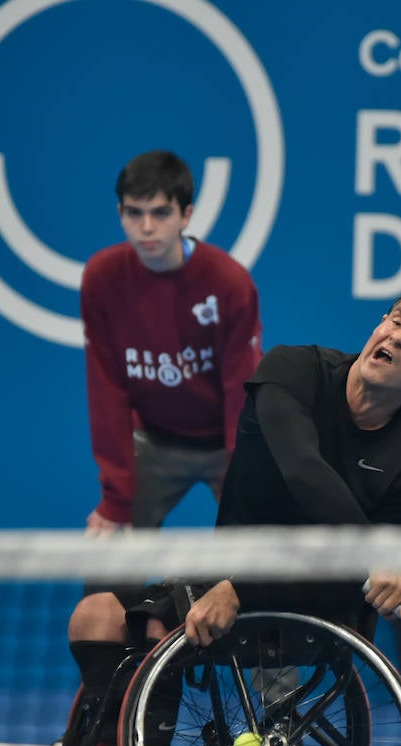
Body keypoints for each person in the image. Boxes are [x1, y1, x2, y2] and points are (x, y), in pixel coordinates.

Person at [59, 283, 401, 746]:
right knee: (95, 616)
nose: (398, 336)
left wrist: (244, 589)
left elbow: (346, 583)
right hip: (231, 573)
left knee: (153, 631)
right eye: (395, 319)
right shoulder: (293, 372)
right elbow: (302, 470)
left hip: (315, 609)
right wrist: (373, 553)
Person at [80, 149, 262, 537]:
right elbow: (106, 390)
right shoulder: (102, 278)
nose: (147, 227)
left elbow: (240, 391)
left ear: (186, 214)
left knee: (257, 564)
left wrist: (245, 484)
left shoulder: (229, 282)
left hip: (226, 447)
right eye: (134, 213)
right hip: (153, 440)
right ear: (120, 215)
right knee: (107, 573)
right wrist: (115, 500)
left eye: (161, 213)